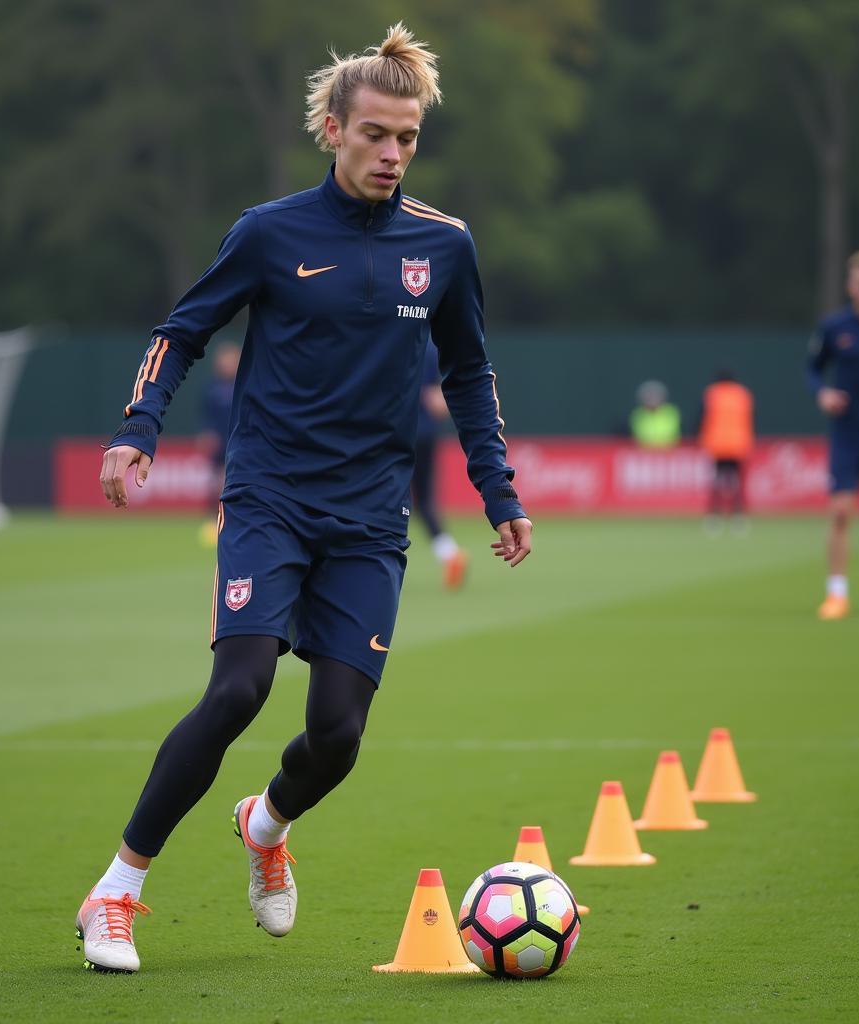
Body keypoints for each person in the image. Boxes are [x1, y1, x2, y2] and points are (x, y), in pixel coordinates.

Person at [80, 23, 532, 974]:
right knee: (240, 686)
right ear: (333, 129)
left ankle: (266, 822)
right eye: (374, 134)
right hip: (271, 497)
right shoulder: (270, 232)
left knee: (338, 734)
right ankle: (116, 889)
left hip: (370, 519)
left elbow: (471, 373)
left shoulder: (443, 247)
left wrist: (498, 490)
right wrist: (136, 429)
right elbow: (181, 331)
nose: (392, 153)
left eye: (407, 138)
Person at [809, 249, 859, 621]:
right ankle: (836, 593)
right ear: (850, 287)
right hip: (848, 434)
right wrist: (821, 393)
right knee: (841, 511)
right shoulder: (834, 327)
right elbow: (813, 368)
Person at [412, 339, 468, 588]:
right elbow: (438, 403)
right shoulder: (432, 349)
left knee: (385, 501)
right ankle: (449, 553)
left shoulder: (386, 336)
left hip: (392, 434)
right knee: (424, 500)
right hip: (425, 434)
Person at [195, 341, 240, 546]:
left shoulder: (242, 384)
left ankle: (235, 520)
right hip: (220, 443)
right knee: (217, 483)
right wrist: (207, 433)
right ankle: (214, 520)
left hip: (239, 441)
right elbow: (207, 416)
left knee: (231, 481)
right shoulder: (212, 388)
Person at [698, 370, 754, 533]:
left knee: (717, 480)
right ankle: (738, 516)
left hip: (717, 443)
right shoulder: (742, 394)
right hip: (738, 443)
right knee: (735, 481)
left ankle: (714, 516)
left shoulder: (712, 393)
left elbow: (702, 415)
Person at [630, 380, 680, 448]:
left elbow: (671, 435)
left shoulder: (671, 412)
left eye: (655, 395)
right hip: (645, 453)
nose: (652, 399)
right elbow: (641, 436)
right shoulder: (638, 414)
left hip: (668, 452)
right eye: (649, 395)